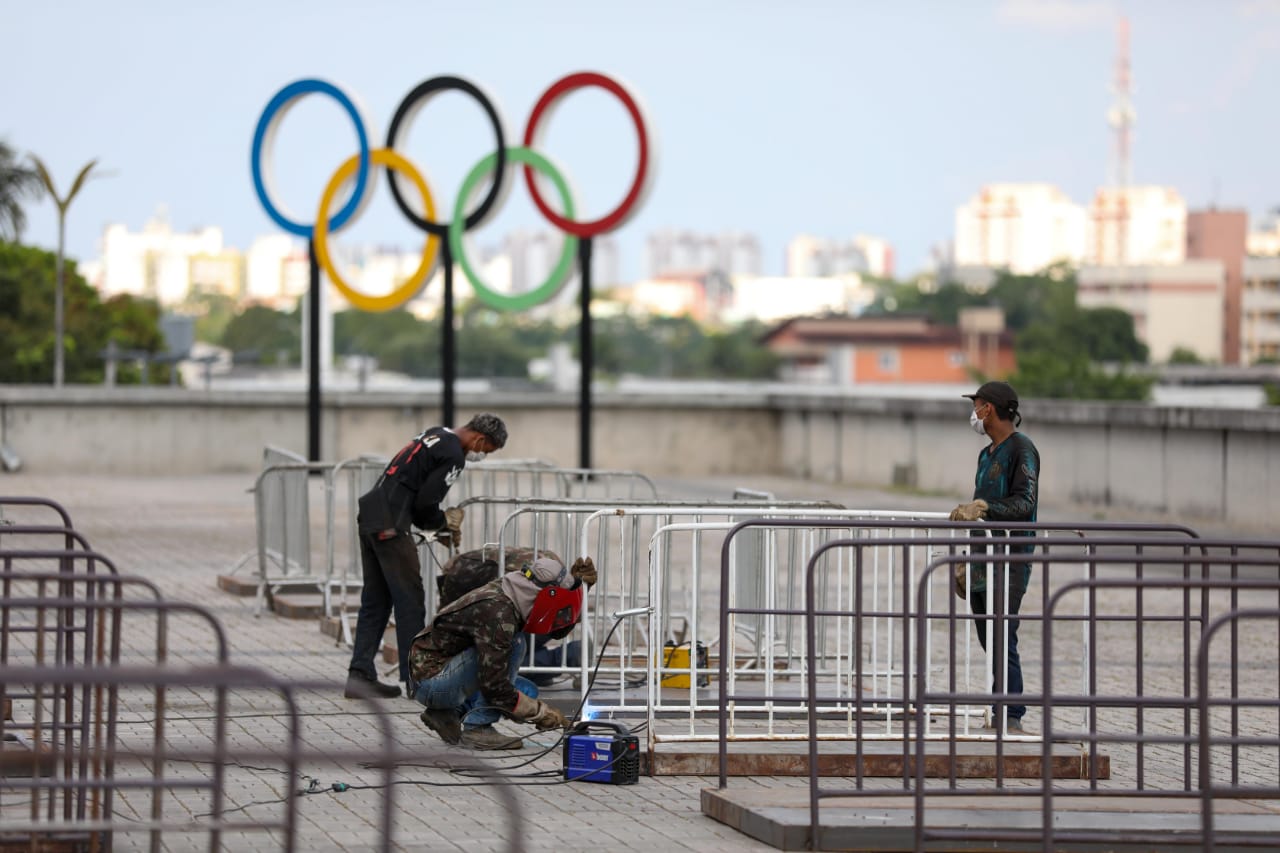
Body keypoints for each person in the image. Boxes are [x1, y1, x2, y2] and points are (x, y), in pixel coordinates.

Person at [344, 413, 508, 700]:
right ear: (480, 439)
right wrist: (441, 522)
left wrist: (433, 522)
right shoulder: (454, 454)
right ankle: (417, 680)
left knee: (376, 601)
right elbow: (426, 502)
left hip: (371, 514)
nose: (480, 455)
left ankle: (360, 676)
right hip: (391, 524)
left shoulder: (435, 434)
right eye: (485, 450)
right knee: (410, 601)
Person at [409, 554, 597, 750]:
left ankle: (448, 712)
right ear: (547, 593)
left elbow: (556, 628)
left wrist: (579, 590)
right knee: (516, 645)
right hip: (431, 681)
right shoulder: (498, 613)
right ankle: (478, 729)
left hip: (441, 674)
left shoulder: (515, 591)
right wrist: (540, 713)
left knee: (527, 691)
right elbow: (494, 685)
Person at [949, 381, 1040, 734]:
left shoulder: (1022, 449)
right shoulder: (986, 455)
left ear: (990, 409)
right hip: (982, 557)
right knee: (988, 635)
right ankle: (999, 706)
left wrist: (986, 506)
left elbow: (1025, 502)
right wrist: (965, 560)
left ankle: (1012, 712)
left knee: (1003, 632)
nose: (973, 412)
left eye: (977, 405)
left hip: (1010, 558)